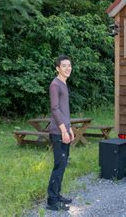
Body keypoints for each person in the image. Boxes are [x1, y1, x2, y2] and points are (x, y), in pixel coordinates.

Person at [46, 55, 75, 211]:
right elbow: (55, 109)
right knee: (59, 165)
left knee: (63, 165)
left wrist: (69, 128)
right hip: (57, 132)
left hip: (64, 129)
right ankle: (52, 200)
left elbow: (64, 111)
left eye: (69, 65)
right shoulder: (55, 85)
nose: (68, 68)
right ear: (58, 68)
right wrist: (64, 130)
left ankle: (57, 195)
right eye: (64, 66)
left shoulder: (63, 83)